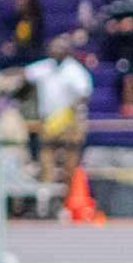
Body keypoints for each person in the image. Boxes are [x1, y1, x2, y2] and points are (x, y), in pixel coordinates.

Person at [24, 36, 94, 189]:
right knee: (46, 157)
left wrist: (66, 115)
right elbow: (26, 74)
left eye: (60, 48)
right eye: (53, 48)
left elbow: (84, 95)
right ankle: (47, 197)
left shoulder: (75, 71)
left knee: (70, 160)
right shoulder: (44, 67)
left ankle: (69, 197)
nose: (55, 51)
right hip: (48, 120)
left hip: (70, 119)